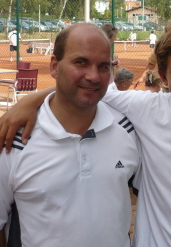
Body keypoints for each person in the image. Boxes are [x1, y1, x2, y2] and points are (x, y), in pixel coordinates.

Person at [0, 22, 171, 247]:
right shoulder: (145, 108)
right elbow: (87, 88)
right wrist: (30, 100)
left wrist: (30, 98)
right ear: (164, 75)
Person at [0, 23, 139, 246]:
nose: (94, 76)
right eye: (81, 62)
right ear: (54, 66)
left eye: (103, 66)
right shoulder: (14, 139)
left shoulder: (128, 128)